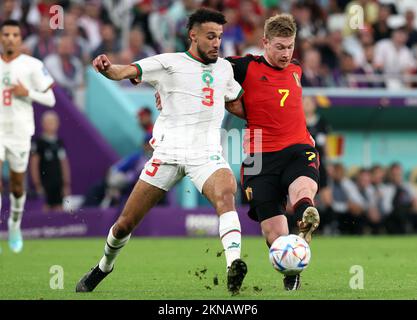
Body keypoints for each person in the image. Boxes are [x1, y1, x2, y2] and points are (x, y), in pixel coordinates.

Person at [76, 8, 247, 295]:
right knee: (124, 224)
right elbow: (125, 71)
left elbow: (239, 103)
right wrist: (107, 68)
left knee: (226, 194)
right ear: (193, 35)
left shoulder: (225, 69)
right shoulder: (168, 63)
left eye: (219, 36)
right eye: (210, 36)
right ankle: (104, 266)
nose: (217, 43)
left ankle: (234, 266)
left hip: (206, 153)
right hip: (167, 152)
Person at [225, 14, 321, 291]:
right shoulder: (243, 67)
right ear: (264, 42)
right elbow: (203, 72)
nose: (286, 53)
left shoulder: (297, 69)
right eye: (279, 47)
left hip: (297, 147)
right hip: (258, 155)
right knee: (275, 234)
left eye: (290, 46)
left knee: (302, 189)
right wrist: (167, 90)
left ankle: (305, 212)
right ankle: (291, 269)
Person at [0, 20, 56, 254]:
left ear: (20, 39)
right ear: (1, 38)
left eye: (15, 34)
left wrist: (28, 93)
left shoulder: (32, 65)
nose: (10, 38)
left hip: (20, 132)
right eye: (6, 34)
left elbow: (51, 99)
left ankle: (14, 224)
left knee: (16, 185)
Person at [30, 110, 71, 212]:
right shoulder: (38, 143)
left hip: (58, 183)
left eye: (54, 122)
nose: (52, 125)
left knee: (59, 209)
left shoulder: (59, 143)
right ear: (43, 124)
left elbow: (64, 163)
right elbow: (34, 164)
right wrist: (37, 184)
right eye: (49, 122)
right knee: (45, 209)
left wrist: (66, 183)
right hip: (45, 183)